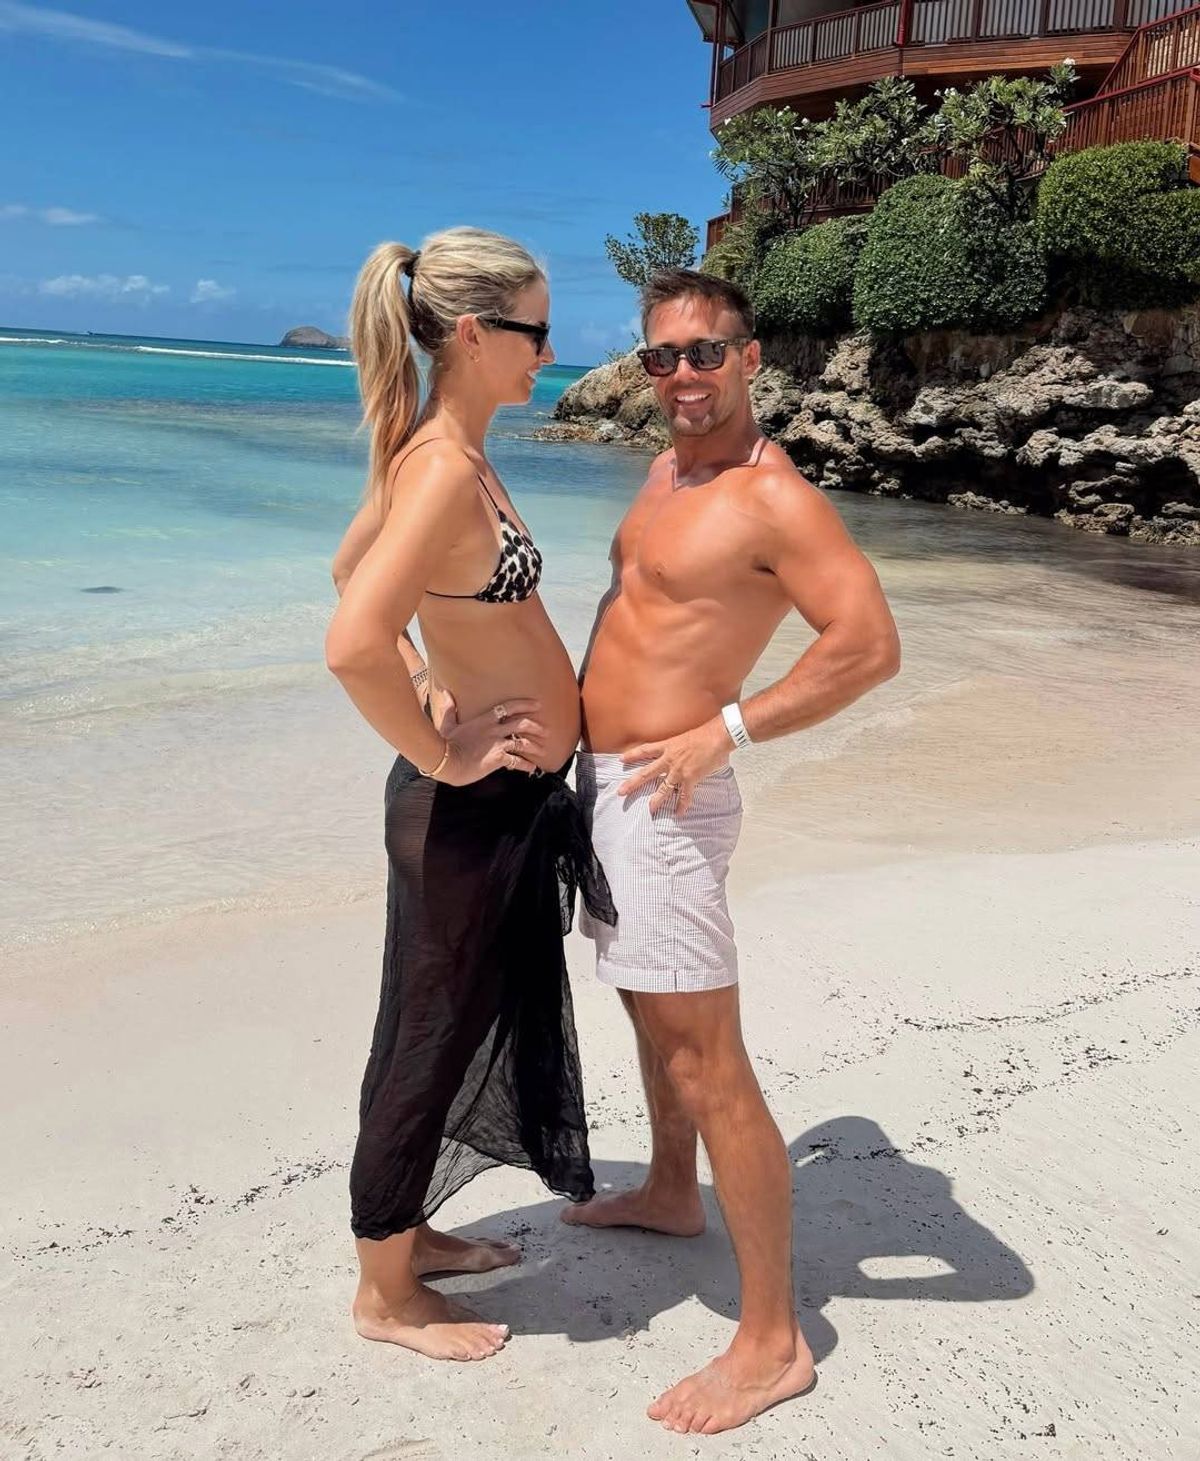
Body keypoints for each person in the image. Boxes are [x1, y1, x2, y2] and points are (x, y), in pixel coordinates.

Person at [567, 268, 901, 1432]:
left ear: (752, 360)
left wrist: (731, 728)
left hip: (667, 798)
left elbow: (867, 646)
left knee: (711, 1061)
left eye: (705, 354)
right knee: (648, 1017)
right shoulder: (664, 472)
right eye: (661, 358)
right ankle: (670, 1192)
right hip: (602, 790)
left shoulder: (775, 502)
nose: (681, 379)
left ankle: (772, 1343)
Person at [326, 227, 613, 1364]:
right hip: (465, 810)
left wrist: (436, 675)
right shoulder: (442, 465)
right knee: (428, 1032)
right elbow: (353, 637)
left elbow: (354, 571)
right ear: (479, 334)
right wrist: (443, 748)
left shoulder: (446, 451)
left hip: (500, 805)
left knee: (447, 1026)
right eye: (538, 331)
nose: (554, 351)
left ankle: (410, 1235)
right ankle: (385, 1295)